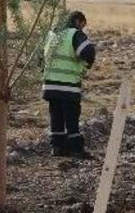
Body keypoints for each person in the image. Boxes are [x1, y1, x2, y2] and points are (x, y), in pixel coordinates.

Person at [42, 11, 96, 158]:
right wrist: (86, 65)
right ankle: (76, 149)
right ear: (77, 21)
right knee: (71, 117)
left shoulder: (51, 35)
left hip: (50, 85)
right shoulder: (74, 34)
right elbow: (88, 52)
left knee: (56, 116)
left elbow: (40, 58)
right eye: (82, 25)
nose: (82, 29)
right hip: (68, 85)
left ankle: (57, 147)